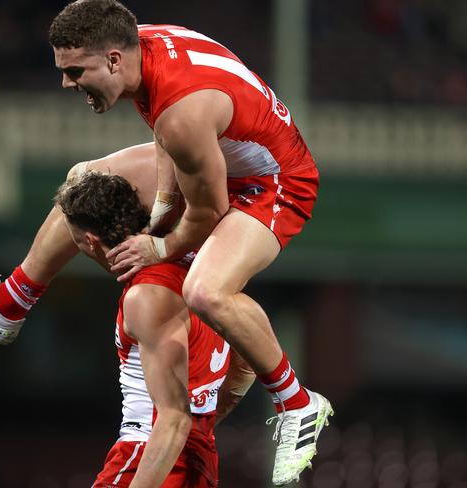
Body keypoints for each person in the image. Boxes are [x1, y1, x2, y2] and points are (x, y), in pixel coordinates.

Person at [44, 1, 335, 484]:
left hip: (275, 183)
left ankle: (298, 405)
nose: (67, 83)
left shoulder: (180, 113)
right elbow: (165, 135)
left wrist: (159, 247)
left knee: (206, 291)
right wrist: (161, 204)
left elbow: (208, 209)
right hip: (230, 160)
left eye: (75, 71)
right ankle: (13, 298)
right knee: (83, 180)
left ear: (114, 59)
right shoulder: (148, 45)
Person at [56, 172, 255, 487]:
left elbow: (173, 419)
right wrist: (205, 424)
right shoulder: (203, 274)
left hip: (150, 456)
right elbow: (247, 364)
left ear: (91, 241)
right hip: (197, 461)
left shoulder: (147, 295)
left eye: (74, 238)